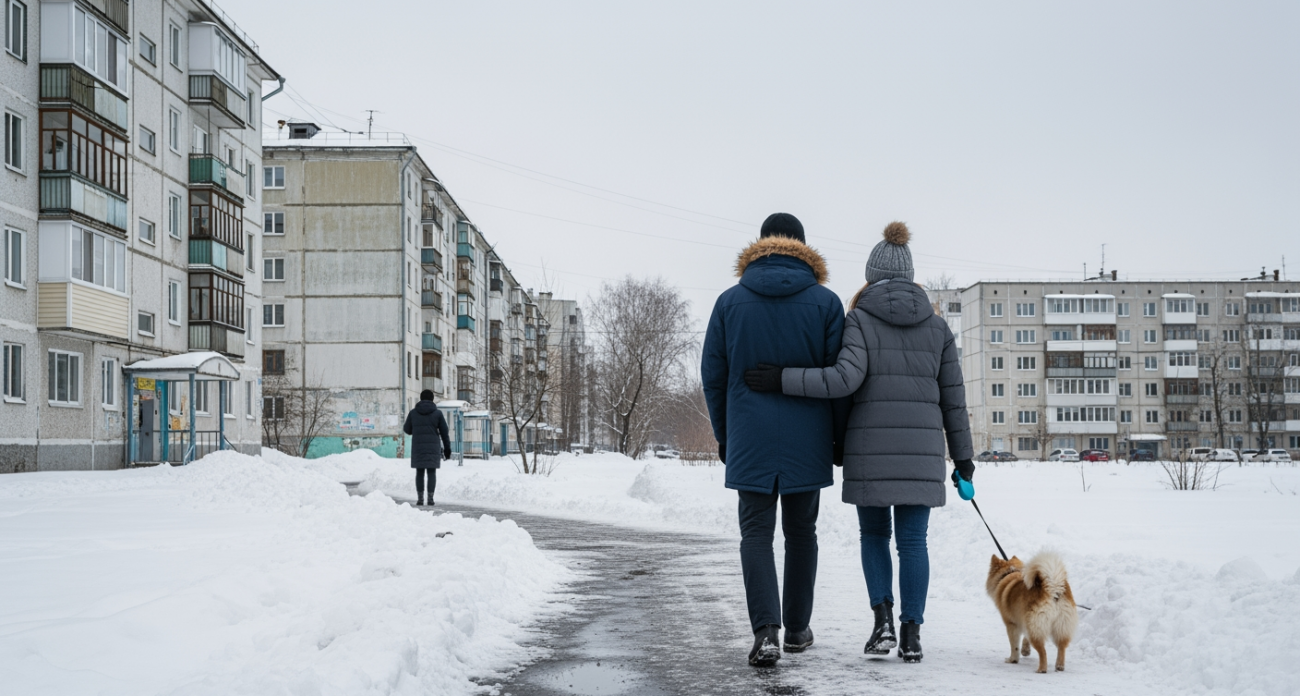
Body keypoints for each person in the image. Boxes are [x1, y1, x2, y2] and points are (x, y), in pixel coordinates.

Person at [745, 222, 975, 664]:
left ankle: (882, 620)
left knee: (874, 534)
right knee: (914, 542)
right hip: (922, 453)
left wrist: (782, 379)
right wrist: (963, 458)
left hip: (870, 450)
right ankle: (911, 634)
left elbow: (842, 380)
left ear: (871, 275)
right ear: (911, 276)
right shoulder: (939, 328)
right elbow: (955, 401)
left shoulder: (861, 319)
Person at [701, 213, 848, 667]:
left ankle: (766, 630)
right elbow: (838, 379)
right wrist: (837, 439)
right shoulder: (826, 303)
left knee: (756, 533)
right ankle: (798, 630)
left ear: (761, 244)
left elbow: (713, 375)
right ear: (802, 248)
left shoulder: (730, 302)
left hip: (750, 435)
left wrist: (726, 436)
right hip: (809, 436)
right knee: (802, 532)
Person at [403, 390, 451, 506]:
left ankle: (420, 499)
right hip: (433, 447)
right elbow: (445, 432)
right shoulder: (438, 414)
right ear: (432, 399)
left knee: (419, 472)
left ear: (420, 398)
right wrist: (447, 448)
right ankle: (430, 498)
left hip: (418, 447)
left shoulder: (413, 413)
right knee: (431, 472)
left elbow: (407, 429)